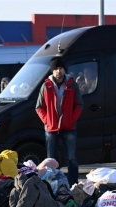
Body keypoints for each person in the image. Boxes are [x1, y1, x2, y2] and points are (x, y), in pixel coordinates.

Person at [36, 56, 83, 186]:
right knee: (51, 160)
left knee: (72, 159)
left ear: (64, 70)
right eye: (56, 69)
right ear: (52, 71)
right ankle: (53, 184)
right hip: (51, 128)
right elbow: (39, 107)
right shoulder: (46, 86)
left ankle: (73, 184)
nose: (58, 71)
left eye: (61, 68)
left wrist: (71, 119)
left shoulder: (72, 84)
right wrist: (47, 121)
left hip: (69, 127)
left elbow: (79, 105)